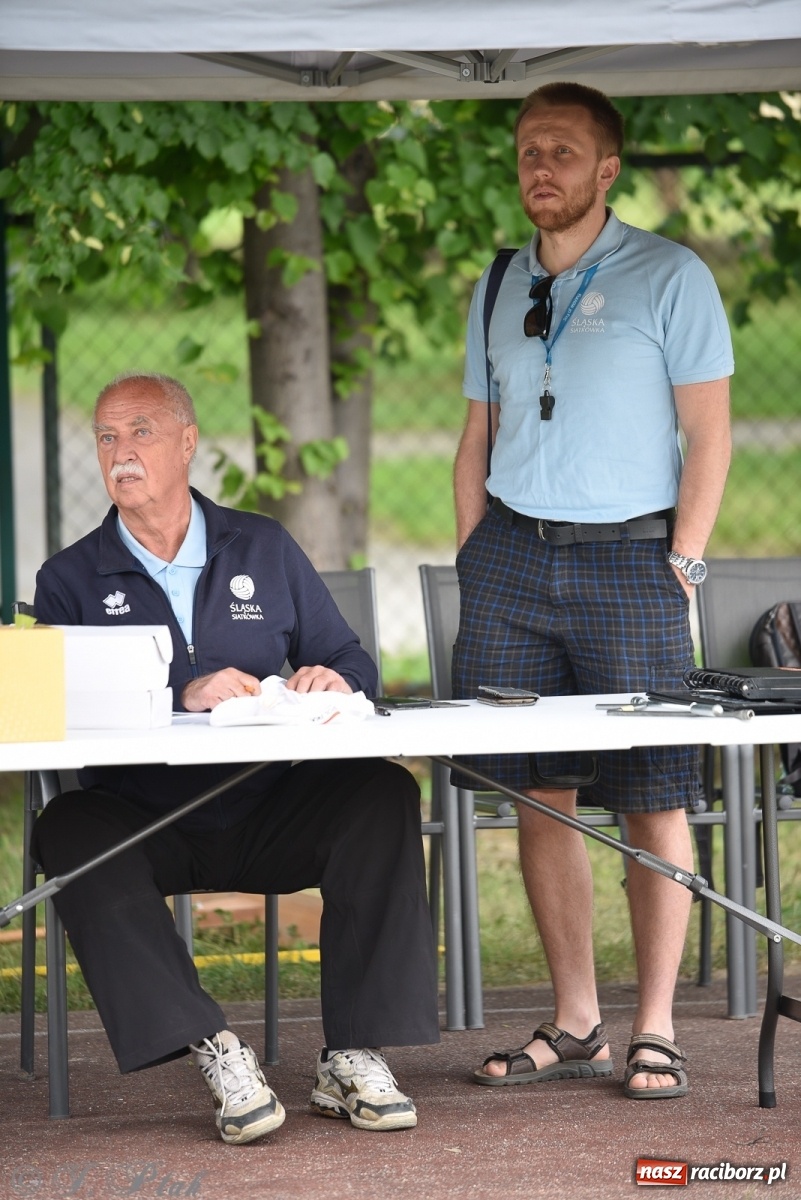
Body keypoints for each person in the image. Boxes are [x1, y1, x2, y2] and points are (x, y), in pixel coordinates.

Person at [33, 371, 439, 1144]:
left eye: (141, 432)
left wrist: (331, 676)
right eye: (106, 437)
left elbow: (351, 661)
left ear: (188, 443)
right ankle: (212, 1047)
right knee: (67, 828)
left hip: (270, 808)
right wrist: (178, 691)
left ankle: (353, 1054)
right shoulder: (68, 579)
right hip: (144, 818)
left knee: (381, 793)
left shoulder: (263, 545)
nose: (121, 453)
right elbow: (61, 714)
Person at [452, 82, 733, 1099]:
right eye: (530, 149)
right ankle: (577, 1022)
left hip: (631, 558)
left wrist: (684, 559)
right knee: (541, 793)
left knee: (656, 796)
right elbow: (476, 437)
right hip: (513, 559)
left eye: (563, 152)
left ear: (607, 169)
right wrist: (476, 555)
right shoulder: (495, 282)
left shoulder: (672, 275)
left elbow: (709, 432)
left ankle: (655, 1025)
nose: (541, 167)